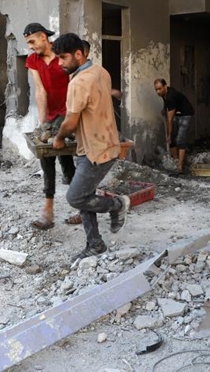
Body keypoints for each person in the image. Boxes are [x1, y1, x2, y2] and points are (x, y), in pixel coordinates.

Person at [51, 33, 130, 262]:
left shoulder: (79, 82)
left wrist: (58, 138)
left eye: (63, 57)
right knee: (86, 193)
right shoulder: (100, 72)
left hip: (97, 149)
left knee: (75, 197)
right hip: (97, 143)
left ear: (78, 54)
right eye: (57, 58)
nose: (60, 63)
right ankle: (95, 243)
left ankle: (117, 204)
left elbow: (71, 122)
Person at [23, 22, 77, 230]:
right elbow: (40, 91)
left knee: (64, 157)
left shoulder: (63, 54)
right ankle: (48, 211)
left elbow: (74, 86)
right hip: (52, 114)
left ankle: (79, 207)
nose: (30, 46)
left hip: (67, 112)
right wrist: (42, 123)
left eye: (32, 41)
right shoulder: (32, 60)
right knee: (47, 156)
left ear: (43, 37)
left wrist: (72, 115)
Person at [154, 78, 194, 174]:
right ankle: (175, 161)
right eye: (156, 89)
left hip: (186, 113)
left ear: (165, 86)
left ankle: (180, 167)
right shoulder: (164, 93)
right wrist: (164, 109)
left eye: (159, 89)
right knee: (172, 139)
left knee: (180, 139)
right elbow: (166, 102)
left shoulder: (171, 96)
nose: (158, 92)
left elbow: (170, 119)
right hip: (178, 112)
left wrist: (168, 134)